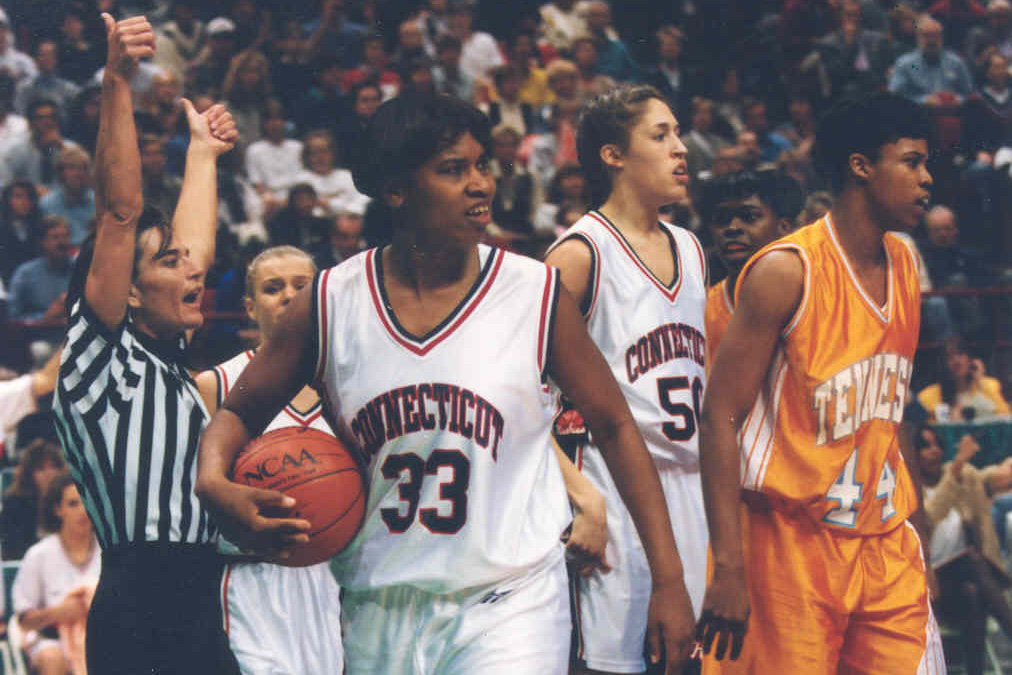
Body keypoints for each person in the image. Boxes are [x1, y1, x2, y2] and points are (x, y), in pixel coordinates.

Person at [196, 91, 695, 675]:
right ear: (397, 188)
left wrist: (670, 579)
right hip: (378, 606)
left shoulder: (533, 291)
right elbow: (237, 411)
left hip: (511, 602)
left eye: (482, 165)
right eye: (453, 170)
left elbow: (613, 424)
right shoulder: (331, 301)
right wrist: (213, 482)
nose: (480, 184)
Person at [698, 91, 944, 672]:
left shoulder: (906, 262)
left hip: (883, 542)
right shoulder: (787, 271)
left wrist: (921, 532)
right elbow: (718, 418)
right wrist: (729, 569)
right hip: (790, 546)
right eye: (911, 162)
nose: (927, 179)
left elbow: (890, 410)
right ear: (861, 166)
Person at [51, 14, 239, 675]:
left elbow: (195, 249)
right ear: (126, 291)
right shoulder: (103, 361)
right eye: (165, 264)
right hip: (141, 602)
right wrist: (117, 84)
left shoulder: (166, 356)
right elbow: (121, 212)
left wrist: (201, 158)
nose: (192, 272)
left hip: (201, 602)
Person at [544, 84, 703, 675]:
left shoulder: (690, 247)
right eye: (660, 136)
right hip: (613, 491)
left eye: (678, 133)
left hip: (690, 489)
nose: (681, 149)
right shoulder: (579, 254)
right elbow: (520, 394)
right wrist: (581, 499)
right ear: (613, 155)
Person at [194, 246, 344, 675]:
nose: (288, 296)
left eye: (302, 286)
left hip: (335, 578)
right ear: (249, 307)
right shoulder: (215, 384)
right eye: (272, 288)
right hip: (254, 579)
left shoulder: (349, 383)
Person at [918, 426, 1012, 675]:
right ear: (914, 454)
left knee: (973, 594)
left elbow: (990, 477)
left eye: (937, 444)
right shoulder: (912, 489)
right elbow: (931, 515)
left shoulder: (964, 475)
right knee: (972, 559)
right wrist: (957, 464)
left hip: (966, 583)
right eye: (926, 446)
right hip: (931, 585)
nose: (935, 450)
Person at [699, 169, 804, 360]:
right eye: (722, 220)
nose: (732, 228)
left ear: (784, 227)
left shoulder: (813, 296)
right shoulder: (703, 312)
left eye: (749, 217)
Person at [12, 471, 100, 675]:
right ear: (58, 509)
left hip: (101, 638)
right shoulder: (39, 555)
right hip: (52, 641)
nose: (82, 511)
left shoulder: (110, 552)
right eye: (73, 504)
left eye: (86, 503)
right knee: (52, 658)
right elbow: (24, 620)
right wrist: (60, 613)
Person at [917, 335, 1012, 422]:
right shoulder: (929, 395)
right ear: (943, 363)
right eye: (950, 356)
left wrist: (980, 382)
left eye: (960, 354)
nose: (956, 361)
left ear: (970, 359)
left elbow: (1006, 418)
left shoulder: (989, 385)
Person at [1, 438, 65, 560]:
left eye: (53, 467)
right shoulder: (14, 504)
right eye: (41, 469)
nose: (49, 473)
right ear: (29, 474)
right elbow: (12, 550)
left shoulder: (71, 500)